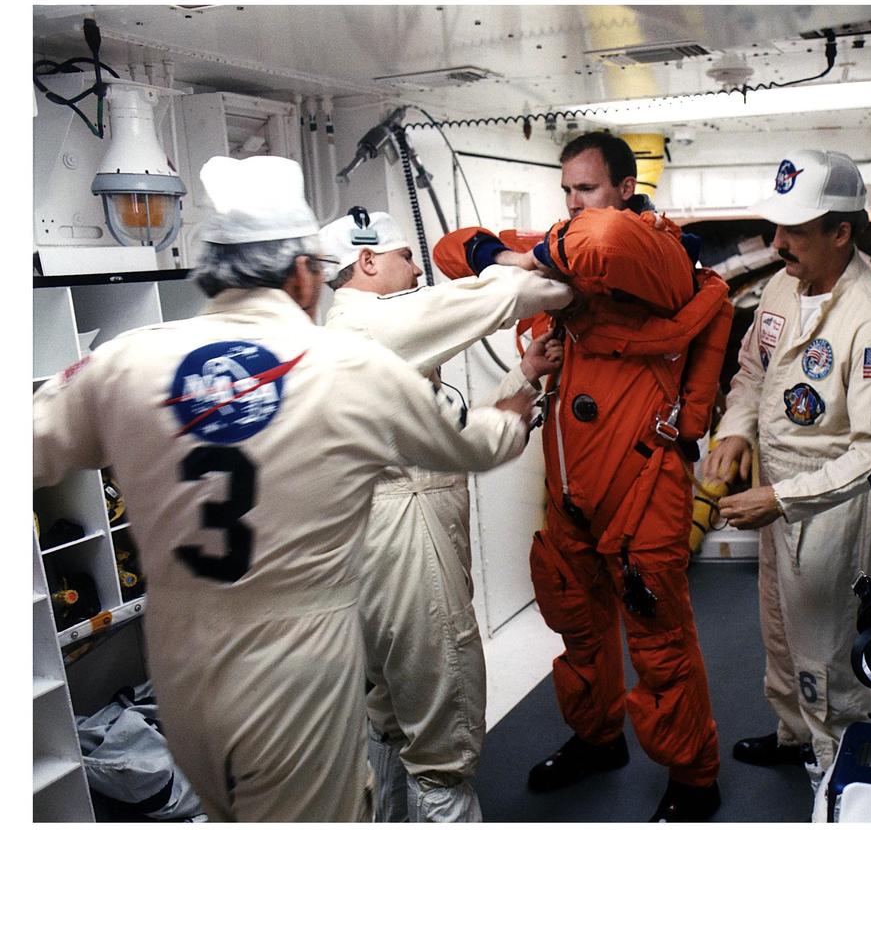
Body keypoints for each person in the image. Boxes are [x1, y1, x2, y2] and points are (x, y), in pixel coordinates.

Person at [32, 156, 534, 822]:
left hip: (188, 673)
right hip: (295, 668)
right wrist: (519, 400)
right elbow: (473, 440)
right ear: (303, 272)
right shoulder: (341, 362)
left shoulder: (132, 357)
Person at [433, 132, 732, 821]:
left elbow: (603, 240)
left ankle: (694, 777)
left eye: (587, 188)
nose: (572, 203)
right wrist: (520, 256)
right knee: (578, 625)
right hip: (570, 491)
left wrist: (529, 257)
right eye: (564, 189)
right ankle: (596, 740)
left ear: (626, 188)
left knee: (659, 643)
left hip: (643, 487)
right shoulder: (571, 256)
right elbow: (453, 249)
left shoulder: (654, 254)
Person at [320, 207, 573, 822]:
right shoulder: (376, 324)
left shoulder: (350, 336)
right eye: (406, 254)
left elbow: (439, 431)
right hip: (407, 535)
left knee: (390, 715)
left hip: (372, 532)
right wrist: (531, 256)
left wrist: (524, 374)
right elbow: (523, 289)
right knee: (443, 732)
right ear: (368, 261)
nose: (417, 266)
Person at [702, 148, 871, 788]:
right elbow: (752, 373)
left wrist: (784, 497)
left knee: (825, 653)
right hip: (778, 493)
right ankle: (795, 734)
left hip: (831, 508)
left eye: (796, 230)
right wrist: (736, 431)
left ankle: (839, 772)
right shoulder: (779, 287)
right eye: (778, 226)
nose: (779, 243)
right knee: (779, 629)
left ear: (841, 231)